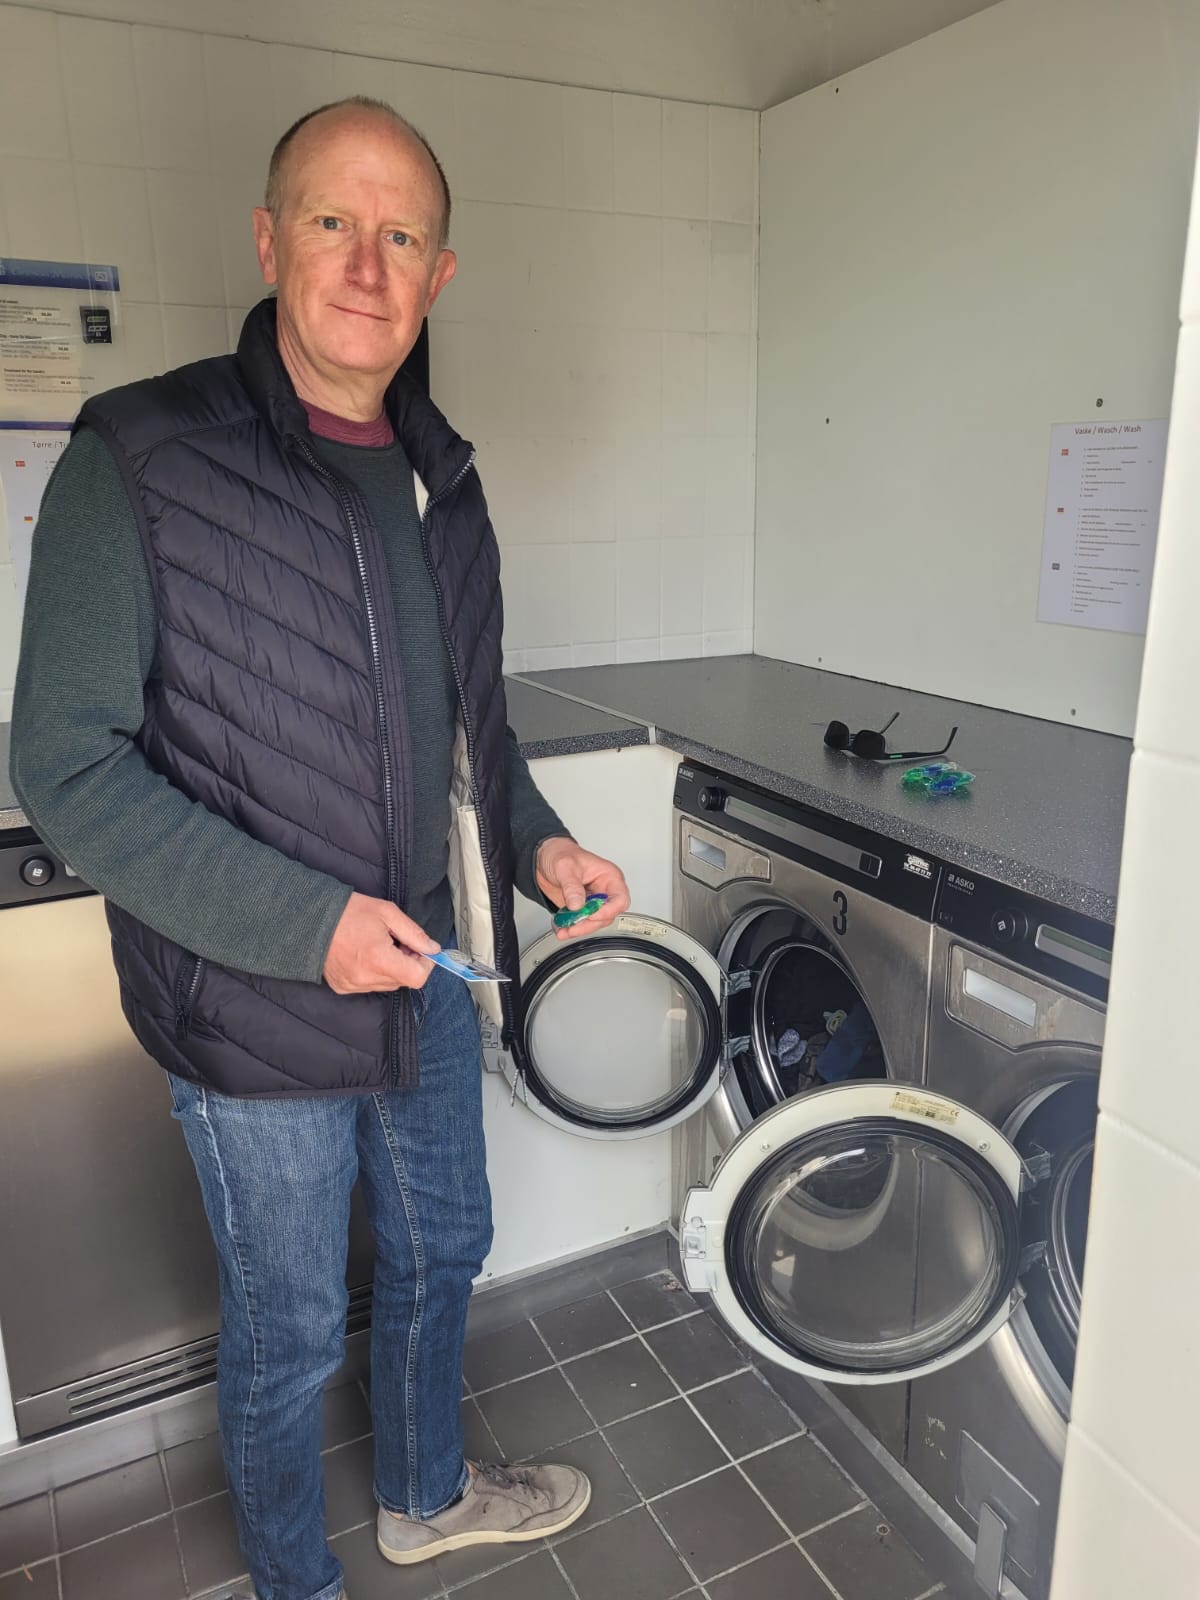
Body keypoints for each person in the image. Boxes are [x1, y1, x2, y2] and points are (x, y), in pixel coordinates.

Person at [10, 96, 632, 1600]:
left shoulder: (445, 483)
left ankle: (425, 1497)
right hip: (252, 999)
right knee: (288, 1331)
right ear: (269, 238)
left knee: (441, 1251)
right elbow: (64, 765)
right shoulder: (140, 458)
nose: (366, 264)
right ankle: (297, 1581)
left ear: (439, 275)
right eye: (334, 222)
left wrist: (540, 845)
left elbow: (469, 729)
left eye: (401, 235)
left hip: (427, 970)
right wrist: (307, 929)